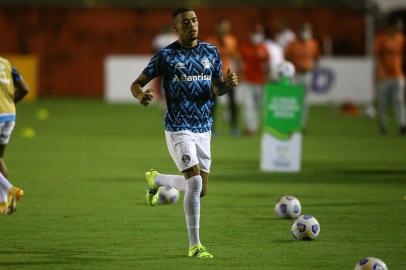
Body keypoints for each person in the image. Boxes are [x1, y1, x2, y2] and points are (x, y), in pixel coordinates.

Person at [130, 8, 238, 258]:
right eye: (185, 22)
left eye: (195, 20)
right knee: (195, 181)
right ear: (176, 28)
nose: (192, 25)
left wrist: (227, 85)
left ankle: (156, 179)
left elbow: (216, 89)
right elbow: (136, 83)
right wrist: (140, 96)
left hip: (204, 128)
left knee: (199, 190)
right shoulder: (166, 56)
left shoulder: (211, 52)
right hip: (179, 127)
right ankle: (195, 245)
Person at [0, 56, 27, 214]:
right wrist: (8, 105)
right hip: (10, 115)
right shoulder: (6, 63)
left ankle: (10, 190)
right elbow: (25, 89)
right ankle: (4, 203)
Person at [206, 18, 240, 136]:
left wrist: (238, 71)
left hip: (228, 76)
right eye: (221, 26)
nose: (224, 29)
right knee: (213, 104)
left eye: (226, 26)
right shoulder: (210, 42)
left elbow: (236, 57)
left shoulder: (231, 40)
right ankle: (212, 128)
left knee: (232, 103)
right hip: (214, 78)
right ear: (217, 28)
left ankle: (234, 128)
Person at [373, 19, 406, 135]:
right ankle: (383, 125)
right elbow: (376, 56)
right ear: (391, 27)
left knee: (399, 100)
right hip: (384, 76)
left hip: (398, 74)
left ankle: (402, 124)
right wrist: (380, 71)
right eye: (398, 26)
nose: (400, 28)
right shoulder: (381, 39)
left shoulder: (401, 38)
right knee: (383, 103)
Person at [285, 23, 320, 129]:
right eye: (304, 30)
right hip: (295, 74)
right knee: (293, 99)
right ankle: (292, 122)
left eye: (307, 30)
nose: (305, 33)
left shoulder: (313, 43)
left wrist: (313, 67)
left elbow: (317, 57)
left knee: (305, 101)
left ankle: (301, 124)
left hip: (307, 74)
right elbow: (287, 57)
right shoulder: (292, 44)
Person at [239, 23, 270, 135]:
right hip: (247, 80)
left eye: (258, 33)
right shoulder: (245, 46)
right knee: (248, 104)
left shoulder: (264, 48)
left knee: (259, 106)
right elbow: (240, 61)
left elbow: (267, 65)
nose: (256, 35)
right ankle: (250, 127)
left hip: (260, 82)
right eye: (255, 33)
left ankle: (256, 125)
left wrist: (268, 76)